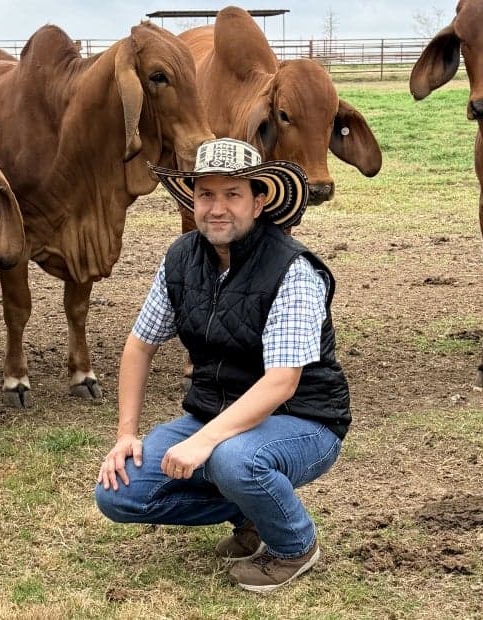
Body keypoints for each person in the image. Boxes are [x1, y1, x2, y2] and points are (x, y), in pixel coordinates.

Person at [95, 138, 351, 592]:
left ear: (259, 200)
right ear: (192, 200)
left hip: (304, 420)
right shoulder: (181, 257)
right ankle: (251, 513)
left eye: (232, 194)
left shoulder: (293, 269)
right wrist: (126, 434)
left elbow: (282, 383)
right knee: (119, 493)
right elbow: (139, 345)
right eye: (206, 194)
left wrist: (203, 442)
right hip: (215, 412)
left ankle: (294, 545)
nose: (217, 208)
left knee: (233, 459)